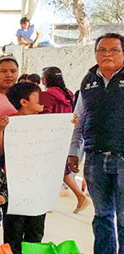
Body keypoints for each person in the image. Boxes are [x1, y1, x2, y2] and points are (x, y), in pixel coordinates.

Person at [66, 33, 124, 254]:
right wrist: (73, 153)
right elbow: (78, 120)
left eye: (114, 49)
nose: (107, 54)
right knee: (102, 215)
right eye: (102, 49)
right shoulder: (88, 82)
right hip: (96, 158)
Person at [0, 82, 46, 254]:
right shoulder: (9, 122)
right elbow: (0, 153)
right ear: (24, 102)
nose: (41, 101)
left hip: (38, 183)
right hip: (14, 184)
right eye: (37, 97)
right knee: (14, 229)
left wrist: (68, 125)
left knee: (35, 229)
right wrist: (0, 131)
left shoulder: (45, 123)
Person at [40, 66, 87, 214]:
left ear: (45, 79)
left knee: (49, 170)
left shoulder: (46, 94)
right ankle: (79, 196)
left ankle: (46, 202)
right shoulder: (69, 94)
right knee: (60, 170)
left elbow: (44, 116)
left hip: (49, 137)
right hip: (63, 137)